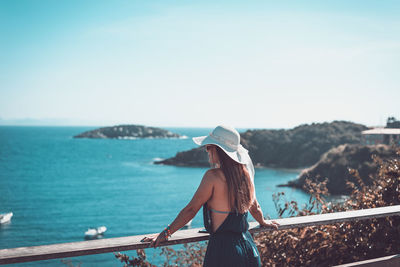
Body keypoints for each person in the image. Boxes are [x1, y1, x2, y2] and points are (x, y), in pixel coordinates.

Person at [141, 125, 279, 266]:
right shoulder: (245, 175)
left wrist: (165, 233)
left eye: (208, 147)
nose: (206, 150)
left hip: (224, 252)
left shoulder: (212, 177)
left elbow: (191, 210)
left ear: (218, 150)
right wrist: (263, 222)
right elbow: (255, 207)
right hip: (249, 249)